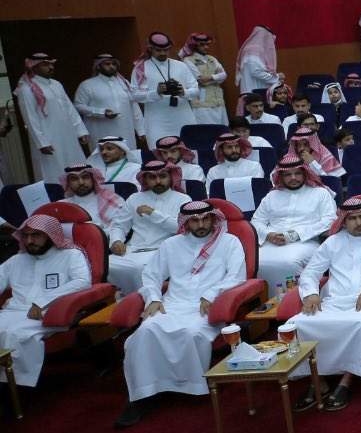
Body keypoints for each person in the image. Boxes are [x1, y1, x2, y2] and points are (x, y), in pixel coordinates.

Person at [114, 201, 246, 428]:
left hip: (206, 306)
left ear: (213, 219)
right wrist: (154, 298)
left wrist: (212, 293)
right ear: (185, 222)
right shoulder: (171, 244)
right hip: (172, 304)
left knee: (191, 333)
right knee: (145, 332)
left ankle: (191, 386)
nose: (201, 225)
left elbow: (236, 275)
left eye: (205, 219)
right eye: (195, 221)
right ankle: (143, 395)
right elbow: (151, 275)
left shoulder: (229, 242)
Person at [285, 198, 361, 411]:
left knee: (360, 325)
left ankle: (346, 381)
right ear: (344, 221)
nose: (358, 222)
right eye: (352, 218)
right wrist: (311, 293)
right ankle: (318, 381)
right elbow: (311, 272)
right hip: (332, 303)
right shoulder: (333, 242)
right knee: (297, 325)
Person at [0, 214, 92, 390]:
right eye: (26, 235)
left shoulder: (71, 255)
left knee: (14, 335)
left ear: (51, 235)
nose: (29, 241)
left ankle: (15, 388)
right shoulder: (16, 260)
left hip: (48, 314)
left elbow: (83, 281)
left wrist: (42, 302)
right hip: (13, 311)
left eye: (36, 235)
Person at [252, 156, 338, 283]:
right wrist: (268, 235)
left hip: (306, 241)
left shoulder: (321, 193)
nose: (293, 178)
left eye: (297, 173)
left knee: (289, 262)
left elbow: (330, 220)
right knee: (255, 262)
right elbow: (256, 220)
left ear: (305, 173)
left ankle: (295, 295)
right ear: (281, 176)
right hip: (272, 242)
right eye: (288, 174)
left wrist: (296, 235)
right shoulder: (271, 196)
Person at [111, 161, 189, 294]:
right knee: (105, 265)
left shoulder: (182, 199)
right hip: (131, 250)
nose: (158, 181)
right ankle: (117, 301)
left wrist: (152, 213)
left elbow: (181, 227)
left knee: (138, 269)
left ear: (171, 177)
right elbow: (119, 224)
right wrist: (116, 240)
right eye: (152, 177)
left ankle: (142, 301)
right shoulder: (134, 198)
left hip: (162, 250)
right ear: (145, 179)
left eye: (162, 176)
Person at [15, 53, 89, 181]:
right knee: (54, 172)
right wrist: (42, 143)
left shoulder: (56, 84)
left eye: (51, 64)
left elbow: (70, 109)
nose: (51, 67)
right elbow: (30, 119)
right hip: (49, 139)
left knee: (76, 165)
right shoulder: (26, 89)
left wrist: (80, 131)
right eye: (46, 64)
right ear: (34, 67)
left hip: (69, 136)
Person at [131, 33, 201, 145]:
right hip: (156, 122)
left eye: (166, 50)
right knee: (159, 152)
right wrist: (156, 93)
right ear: (150, 49)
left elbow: (196, 91)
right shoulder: (141, 68)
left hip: (184, 118)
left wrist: (184, 92)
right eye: (158, 50)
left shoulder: (181, 66)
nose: (163, 53)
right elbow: (135, 95)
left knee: (190, 149)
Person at [74, 54, 145, 145]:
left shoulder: (124, 83)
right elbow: (78, 106)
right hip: (101, 132)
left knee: (128, 152)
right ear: (98, 66)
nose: (111, 66)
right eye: (107, 64)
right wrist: (101, 112)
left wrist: (141, 130)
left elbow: (134, 107)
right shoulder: (87, 85)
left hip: (126, 132)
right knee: (105, 153)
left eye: (113, 64)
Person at [61, 164, 131, 250]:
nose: (81, 182)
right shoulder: (61, 206)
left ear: (93, 179)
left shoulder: (112, 199)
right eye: (74, 179)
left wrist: (94, 233)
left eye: (85, 177)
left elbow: (120, 226)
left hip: (104, 248)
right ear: (68, 183)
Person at [179, 33, 228, 125]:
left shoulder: (212, 59)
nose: (206, 47)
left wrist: (209, 77)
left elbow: (224, 75)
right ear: (195, 46)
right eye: (202, 45)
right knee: (206, 130)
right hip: (202, 104)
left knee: (222, 130)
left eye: (207, 44)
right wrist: (216, 76)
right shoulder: (188, 60)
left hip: (218, 101)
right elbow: (201, 81)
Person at [235, 25, 282, 96]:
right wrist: (277, 77)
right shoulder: (254, 49)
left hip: (254, 92)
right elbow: (256, 72)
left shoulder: (250, 48)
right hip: (254, 94)